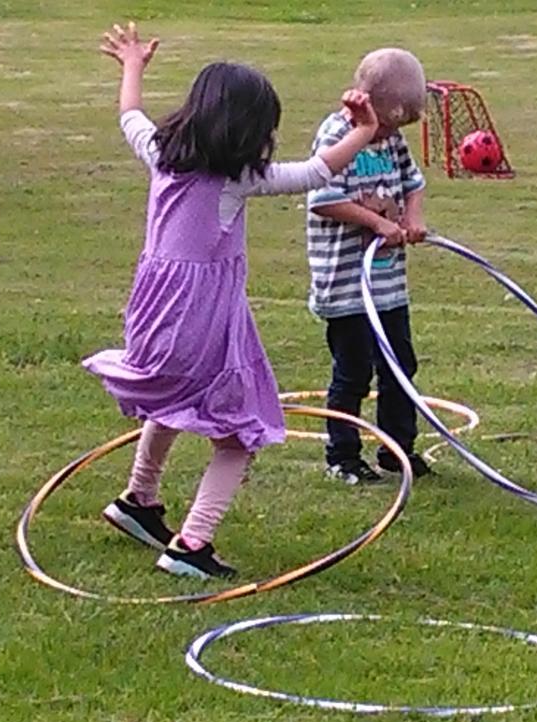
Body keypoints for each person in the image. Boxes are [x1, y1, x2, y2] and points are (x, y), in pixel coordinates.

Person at [84, 23, 379, 578]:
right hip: (202, 323)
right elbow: (316, 172)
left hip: (153, 319)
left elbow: (130, 116)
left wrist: (132, 65)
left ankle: (138, 501)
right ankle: (191, 545)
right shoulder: (237, 179)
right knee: (243, 428)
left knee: (172, 401)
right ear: (249, 132)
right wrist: (364, 129)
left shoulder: (161, 155)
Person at [306, 48, 432, 485]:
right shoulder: (337, 134)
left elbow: (414, 182)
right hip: (345, 286)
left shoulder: (392, 140)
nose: (393, 134)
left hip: (388, 285)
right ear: (370, 104)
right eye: (391, 122)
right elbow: (322, 199)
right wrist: (378, 222)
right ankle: (342, 454)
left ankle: (397, 449)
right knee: (353, 372)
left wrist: (412, 219)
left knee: (401, 367)